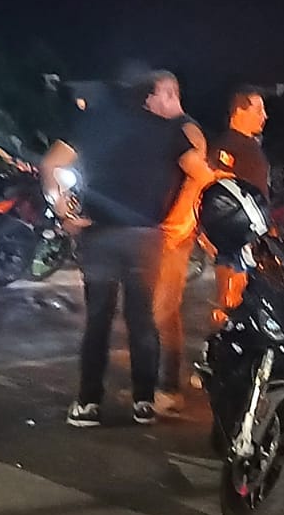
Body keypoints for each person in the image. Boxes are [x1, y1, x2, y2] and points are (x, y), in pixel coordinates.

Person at [39, 70, 211, 427]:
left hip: (98, 234)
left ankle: (88, 402)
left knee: (98, 320)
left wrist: (62, 209)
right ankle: (144, 401)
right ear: (148, 97)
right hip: (146, 237)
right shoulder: (167, 131)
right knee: (142, 320)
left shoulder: (93, 122)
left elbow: (50, 164)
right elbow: (200, 172)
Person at [145, 73, 218, 415]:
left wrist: (177, 223)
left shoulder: (185, 129)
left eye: (149, 97)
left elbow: (200, 176)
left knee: (163, 310)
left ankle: (168, 388)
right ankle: (157, 383)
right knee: (155, 309)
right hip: (160, 232)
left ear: (168, 94)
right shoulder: (172, 129)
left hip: (172, 235)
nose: (145, 104)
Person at [208, 86, 269, 325]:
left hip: (244, 238)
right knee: (232, 303)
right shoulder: (232, 147)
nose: (265, 116)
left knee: (239, 303)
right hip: (239, 239)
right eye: (259, 110)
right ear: (240, 112)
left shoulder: (246, 146)